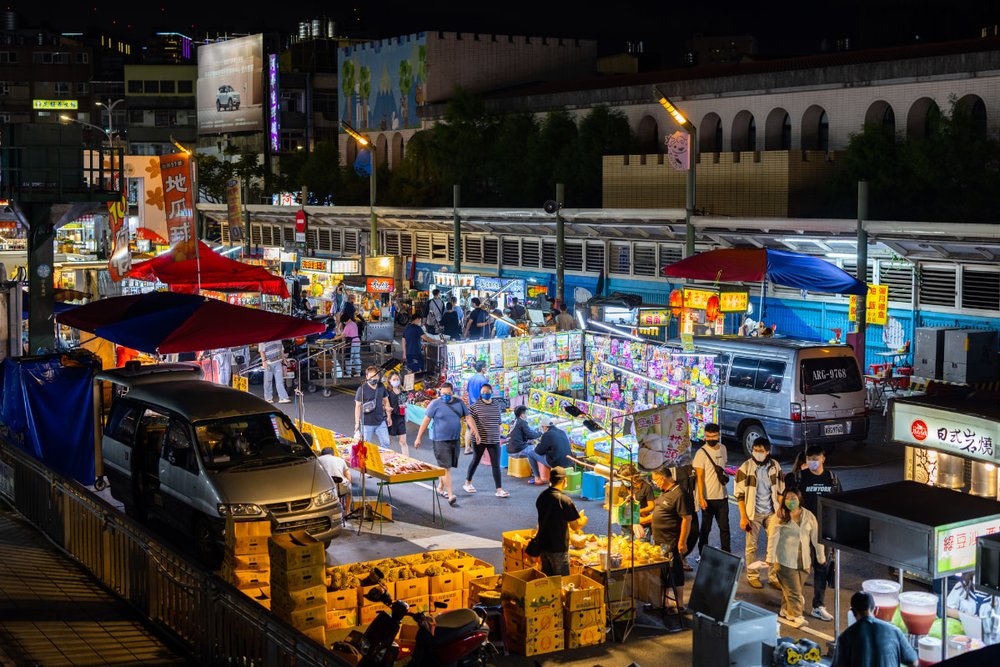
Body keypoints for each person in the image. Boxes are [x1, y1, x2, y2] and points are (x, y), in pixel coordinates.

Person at [786, 445, 843, 622]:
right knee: (800, 568)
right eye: (809, 458)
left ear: (823, 459)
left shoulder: (832, 479)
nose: (812, 462)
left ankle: (818, 605)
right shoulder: (800, 478)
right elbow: (789, 501)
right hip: (801, 532)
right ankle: (792, 603)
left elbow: (840, 504)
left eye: (816, 458)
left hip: (823, 533)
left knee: (821, 568)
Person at [766, 488, 824, 628]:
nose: (791, 501)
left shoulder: (808, 515)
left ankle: (785, 609)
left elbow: (816, 538)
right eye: (788, 498)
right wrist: (770, 558)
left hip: (804, 561)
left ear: (799, 499)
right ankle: (797, 615)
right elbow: (772, 539)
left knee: (793, 588)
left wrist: (820, 556)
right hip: (785, 560)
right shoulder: (779, 516)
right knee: (794, 591)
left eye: (794, 498)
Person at [415, 382, 479, 507]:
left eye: (448, 394)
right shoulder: (435, 404)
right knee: (445, 468)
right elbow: (426, 421)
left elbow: (468, 418)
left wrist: (476, 433)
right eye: (443, 394)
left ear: (452, 392)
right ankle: (450, 495)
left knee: (447, 466)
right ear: (440, 393)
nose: (445, 396)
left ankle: (440, 487)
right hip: (440, 440)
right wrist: (418, 438)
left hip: (454, 439)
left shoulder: (459, 403)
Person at [735, 437, 784, 590]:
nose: (757, 453)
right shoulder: (745, 467)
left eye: (761, 451)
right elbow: (740, 495)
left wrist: (780, 509)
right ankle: (753, 576)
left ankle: (773, 576)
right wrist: (743, 517)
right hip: (753, 513)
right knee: (751, 546)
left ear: (768, 451)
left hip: (772, 513)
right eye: (755, 450)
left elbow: (781, 490)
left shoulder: (775, 466)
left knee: (775, 544)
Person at [832, 591, 918, 667]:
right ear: (876, 610)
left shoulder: (845, 637)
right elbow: (914, 662)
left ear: (853, 612)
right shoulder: (895, 631)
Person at [650, 468, 692, 615]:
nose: (654, 483)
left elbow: (687, 519)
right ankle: (663, 602)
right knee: (662, 572)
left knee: (675, 571)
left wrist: (682, 542)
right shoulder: (665, 492)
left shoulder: (679, 494)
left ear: (662, 478)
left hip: (671, 541)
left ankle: (679, 604)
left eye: (655, 480)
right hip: (659, 541)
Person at [534, 466, 588, 576]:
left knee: (548, 580)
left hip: (544, 546)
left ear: (550, 480)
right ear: (565, 481)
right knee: (562, 582)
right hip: (558, 548)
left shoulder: (542, 496)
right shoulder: (564, 501)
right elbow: (575, 526)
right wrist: (584, 520)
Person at [464, 383, 509, 498]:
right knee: (476, 460)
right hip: (480, 439)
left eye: (487, 392)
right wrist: (474, 433)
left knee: (496, 465)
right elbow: (469, 422)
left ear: (491, 392)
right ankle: (467, 483)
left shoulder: (496, 405)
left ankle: (499, 489)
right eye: (483, 392)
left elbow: (499, 422)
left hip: (494, 439)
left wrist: (500, 433)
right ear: (480, 393)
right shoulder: (475, 406)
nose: (485, 394)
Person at [693, 423, 730, 555]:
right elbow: (699, 477)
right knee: (706, 529)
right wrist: (701, 498)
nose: (711, 439)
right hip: (708, 498)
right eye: (708, 436)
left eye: (714, 436)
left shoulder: (723, 449)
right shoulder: (701, 453)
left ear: (718, 435)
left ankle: (727, 554)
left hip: (723, 496)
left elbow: (723, 468)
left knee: (724, 528)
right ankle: (702, 554)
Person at [354, 365, 392, 450]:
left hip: (380, 421)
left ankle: (381, 461)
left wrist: (389, 416)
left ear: (378, 376)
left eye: (375, 376)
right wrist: (357, 423)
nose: (373, 378)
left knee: (386, 443)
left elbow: (386, 400)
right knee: (365, 446)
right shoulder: (362, 389)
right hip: (366, 423)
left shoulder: (381, 386)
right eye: (371, 376)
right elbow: (357, 406)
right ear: (367, 377)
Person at [507, 405, 544, 483]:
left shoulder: (513, 421)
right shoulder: (522, 422)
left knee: (532, 447)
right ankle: (537, 474)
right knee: (537, 449)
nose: (526, 415)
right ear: (522, 415)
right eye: (525, 413)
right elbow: (531, 435)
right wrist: (540, 433)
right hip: (517, 450)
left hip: (509, 449)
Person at [463, 361, 489, 454]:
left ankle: (467, 447)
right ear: (482, 368)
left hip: (471, 405)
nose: (486, 368)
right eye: (485, 367)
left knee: (470, 427)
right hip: (481, 405)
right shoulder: (483, 380)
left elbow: (468, 391)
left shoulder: (471, 378)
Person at [258, 339, 291, 404]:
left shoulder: (278, 339)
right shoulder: (263, 339)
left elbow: (281, 349)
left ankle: (283, 397)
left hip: (278, 362)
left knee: (280, 380)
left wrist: (284, 360)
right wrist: (264, 362)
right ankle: (268, 398)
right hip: (268, 362)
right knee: (268, 381)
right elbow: (261, 351)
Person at [385, 371, 410, 457]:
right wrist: (388, 415)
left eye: (397, 379)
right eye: (394, 379)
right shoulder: (387, 392)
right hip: (391, 418)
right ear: (389, 380)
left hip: (400, 418)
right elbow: (384, 404)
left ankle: (407, 461)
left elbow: (405, 403)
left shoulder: (403, 391)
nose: (396, 381)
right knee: (388, 441)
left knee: (403, 441)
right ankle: (387, 460)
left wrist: (406, 405)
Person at [332, 313, 361, 377]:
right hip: (357, 341)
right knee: (356, 357)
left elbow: (343, 335)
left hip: (351, 342)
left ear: (345, 320)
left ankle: (348, 374)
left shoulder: (348, 325)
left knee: (348, 358)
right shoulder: (354, 324)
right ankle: (358, 372)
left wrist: (334, 338)